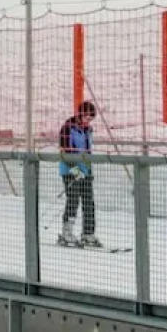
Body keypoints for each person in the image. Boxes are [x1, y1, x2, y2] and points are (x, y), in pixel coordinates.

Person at [58, 100, 98, 247]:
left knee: (88, 201)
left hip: (85, 170)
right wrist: (75, 170)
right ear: (80, 114)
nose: (88, 121)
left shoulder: (88, 130)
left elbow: (88, 150)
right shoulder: (68, 128)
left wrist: (88, 169)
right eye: (87, 117)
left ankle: (88, 233)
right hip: (70, 170)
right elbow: (65, 151)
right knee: (73, 199)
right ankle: (67, 232)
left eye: (91, 118)